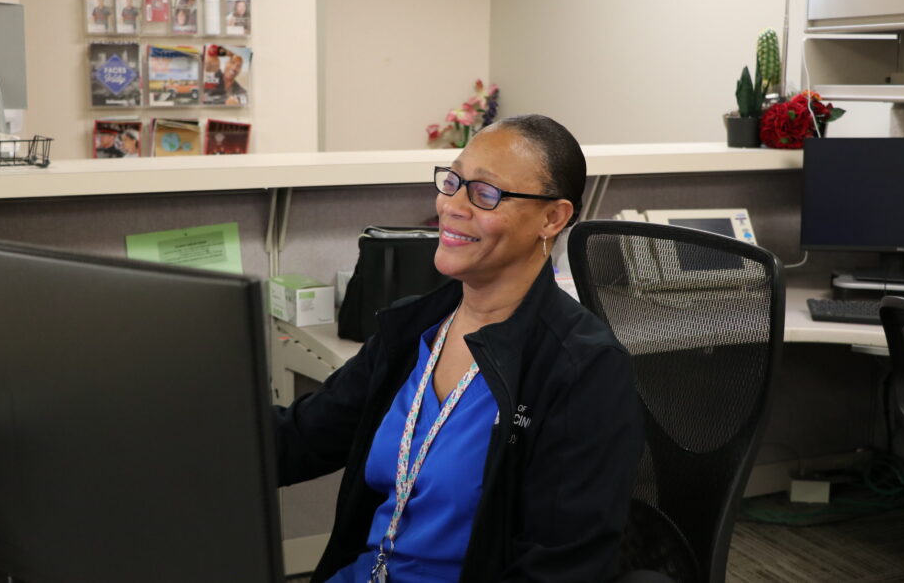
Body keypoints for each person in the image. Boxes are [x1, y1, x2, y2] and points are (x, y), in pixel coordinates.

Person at [274, 115, 644, 582]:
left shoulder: (583, 370)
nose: (451, 205)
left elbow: (560, 568)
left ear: (552, 218)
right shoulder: (413, 328)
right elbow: (301, 437)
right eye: (452, 182)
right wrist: (195, 433)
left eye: (485, 193)